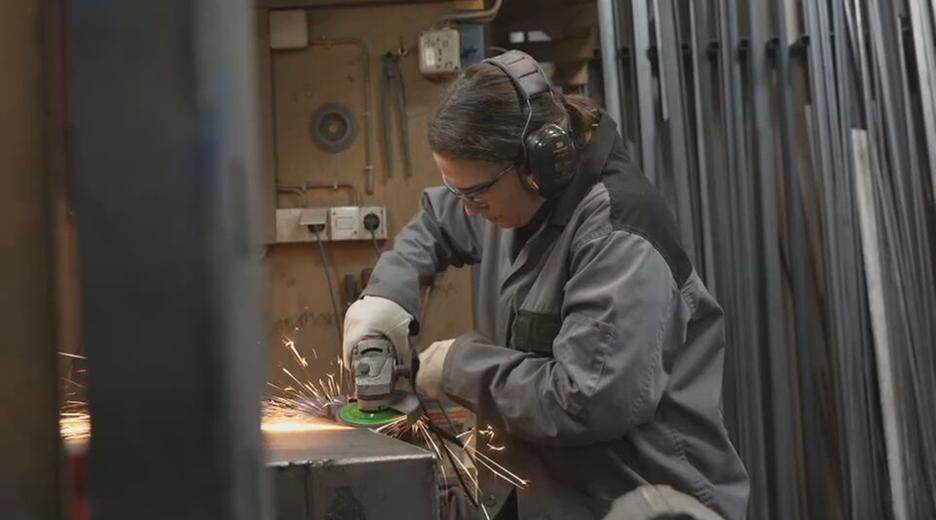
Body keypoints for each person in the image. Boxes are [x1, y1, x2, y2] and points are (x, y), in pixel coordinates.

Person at [342, 50, 749, 520]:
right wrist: (386, 298)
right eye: (458, 191)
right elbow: (436, 221)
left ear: (540, 162)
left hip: (640, 501)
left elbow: (588, 400)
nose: (467, 207)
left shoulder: (618, 234)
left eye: (474, 193)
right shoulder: (505, 192)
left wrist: (457, 367)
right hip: (550, 493)